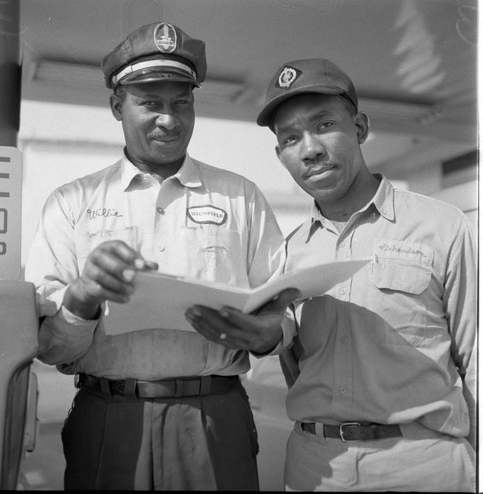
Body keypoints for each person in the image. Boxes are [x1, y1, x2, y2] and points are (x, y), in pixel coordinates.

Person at [25, 22, 298, 491]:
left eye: (181, 103)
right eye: (150, 103)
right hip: (106, 419)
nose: (169, 120)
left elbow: (285, 309)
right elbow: (50, 348)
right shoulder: (71, 203)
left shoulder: (242, 197)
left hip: (214, 419)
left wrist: (268, 333)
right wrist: (83, 296)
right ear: (117, 106)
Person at [185, 58, 477, 492]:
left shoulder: (443, 227)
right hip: (317, 469)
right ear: (280, 154)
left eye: (324, 126)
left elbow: (476, 361)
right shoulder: (286, 254)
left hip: (424, 465)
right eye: (291, 138)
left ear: (359, 127)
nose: (310, 149)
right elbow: (289, 362)